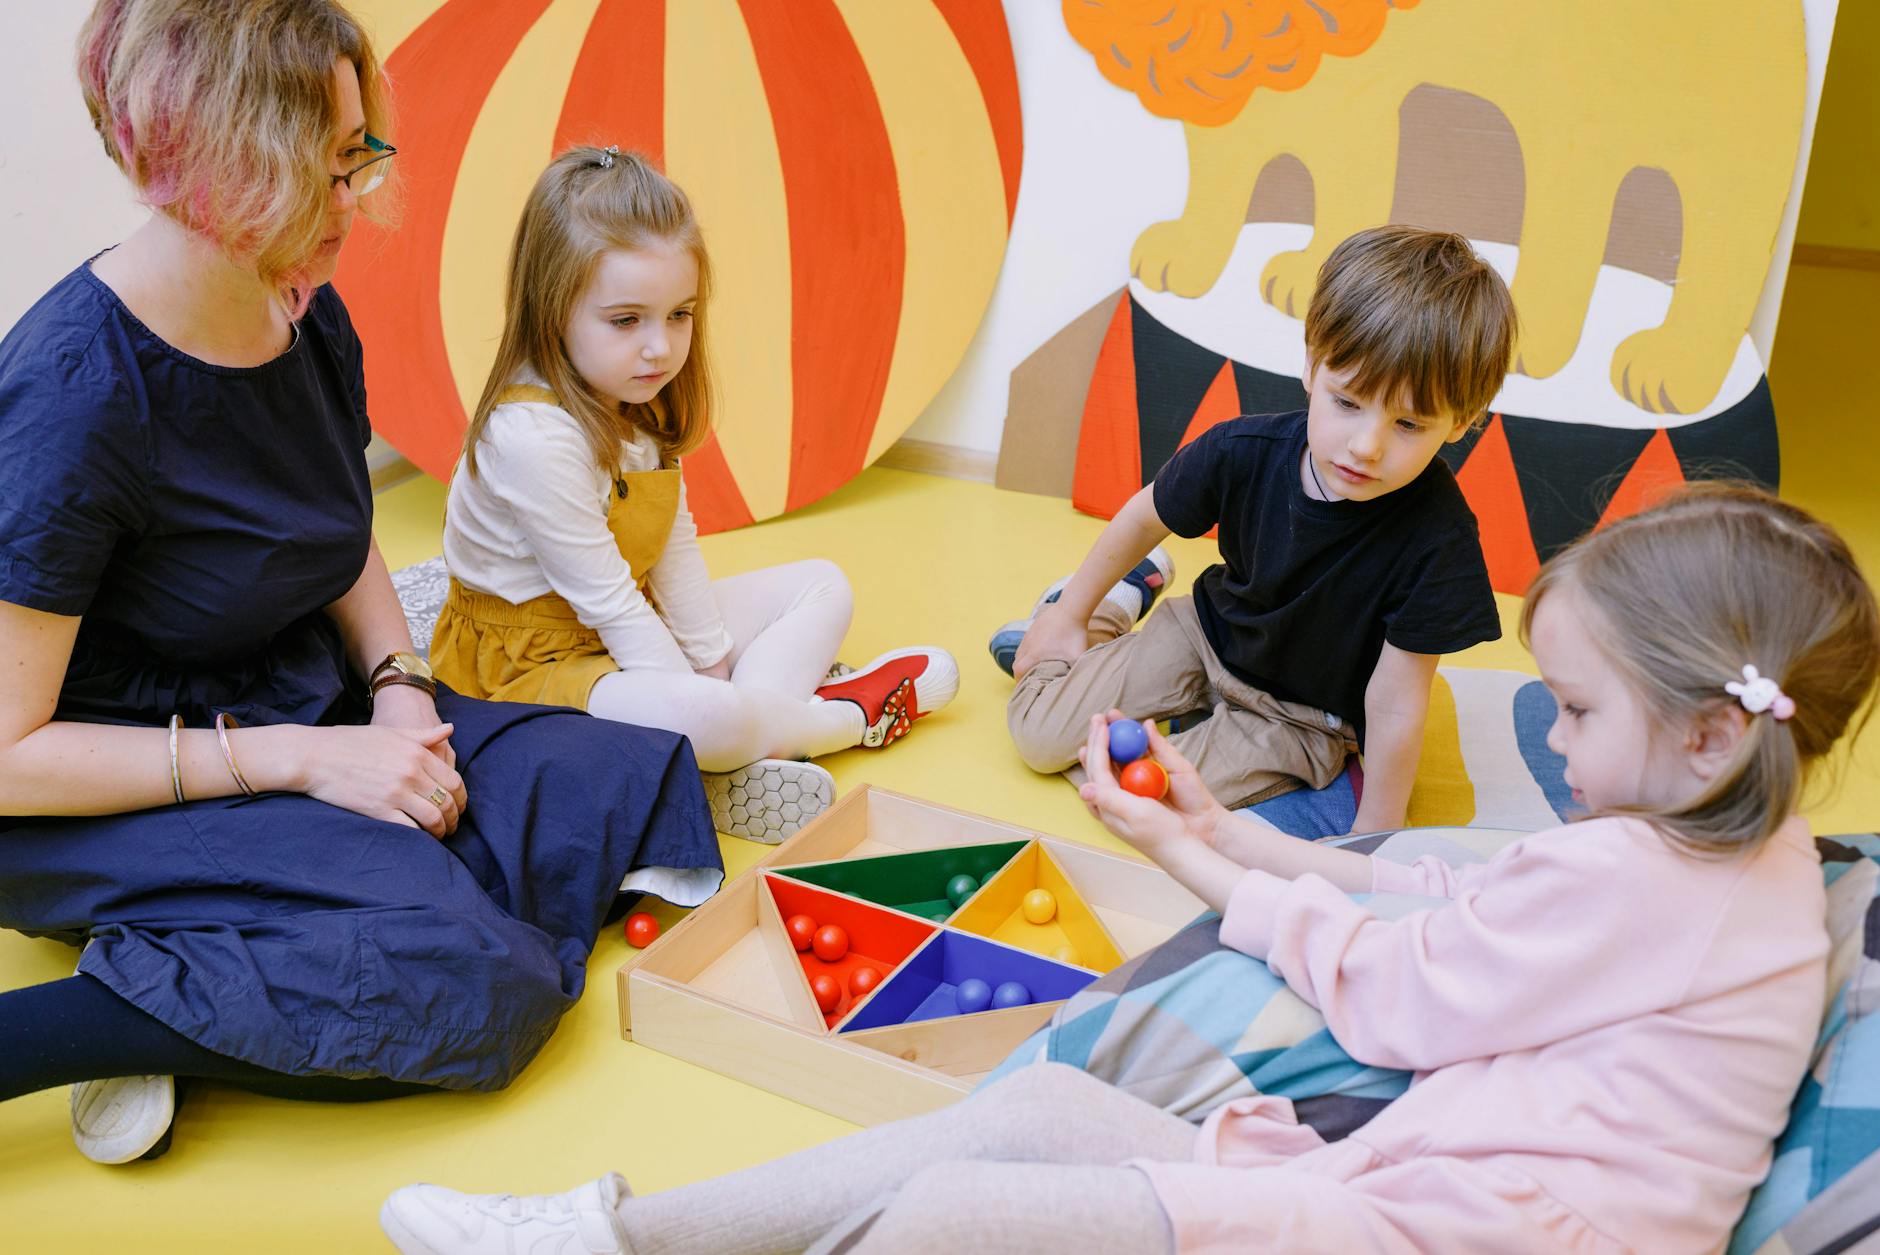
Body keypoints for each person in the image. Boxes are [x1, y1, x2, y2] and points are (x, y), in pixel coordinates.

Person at [381, 483, 1878, 1253]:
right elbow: (1457, 896)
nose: (1548, 730)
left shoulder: (1642, 878)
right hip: (1429, 1194)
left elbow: (1401, 991)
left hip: (1439, 1229)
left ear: (1703, 739)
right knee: (1026, 1105)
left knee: (961, 1212)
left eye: (1578, 707)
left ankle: (623, 1238)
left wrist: (1222, 855)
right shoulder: (1721, 858)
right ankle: (615, 1229)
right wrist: (1212, 837)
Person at [0, 0, 721, 1166]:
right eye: (330, 168)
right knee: (481, 976)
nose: (359, 197)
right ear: (223, 162)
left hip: (296, 695)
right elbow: (6, 753)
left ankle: (238, 967)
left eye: (359, 156)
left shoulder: (306, 316)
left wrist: (396, 685)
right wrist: (304, 759)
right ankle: (123, 1005)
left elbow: (335, 535)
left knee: (622, 771)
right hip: (113, 781)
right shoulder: (76, 398)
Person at [432, 147, 958, 845]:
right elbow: (609, 601)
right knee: (711, 714)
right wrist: (705, 693)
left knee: (821, 585)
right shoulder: (533, 435)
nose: (660, 348)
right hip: (531, 662)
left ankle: (749, 749)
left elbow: (670, 544)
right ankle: (844, 718)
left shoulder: (630, 395)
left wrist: (711, 659)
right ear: (552, 310)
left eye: (679, 315)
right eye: (627, 321)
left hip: (621, 625)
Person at [995, 226, 1515, 832]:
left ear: (1461, 423)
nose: (1367, 446)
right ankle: (1111, 605)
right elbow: (1144, 516)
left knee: (1137, 800)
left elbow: (1398, 700)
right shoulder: (1244, 449)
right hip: (1206, 635)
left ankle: (1119, 620)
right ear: (1312, 367)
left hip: (1300, 716)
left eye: (1408, 425)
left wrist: (1379, 828)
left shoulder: (1439, 541)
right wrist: (1068, 617)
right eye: (1347, 403)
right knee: (1036, 739)